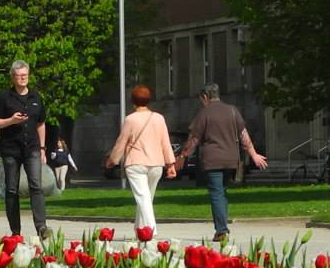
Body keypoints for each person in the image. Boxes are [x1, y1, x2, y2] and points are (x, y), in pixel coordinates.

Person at [180, 81, 267, 241]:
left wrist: (183, 156)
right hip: (231, 159)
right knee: (222, 192)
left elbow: (194, 139)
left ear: (205, 96)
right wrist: (253, 154)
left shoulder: (204, 113)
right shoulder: (233, 111)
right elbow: (243, 134)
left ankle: (221, 230)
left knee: (216, 193)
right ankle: (222, 227)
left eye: (201, 98)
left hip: (212, 159)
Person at [103, 84, 177, 236]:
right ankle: (139, 231)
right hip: (156, 163)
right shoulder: (159, 118)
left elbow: (121, 142)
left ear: (133, 101)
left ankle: (150, 230)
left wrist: (113, 159)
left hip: (136, 163)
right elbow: (165, 142)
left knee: (143, 198)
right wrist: (170, 163)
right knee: (145, 198)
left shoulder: (130, 119)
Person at [0, 59, 49, 239]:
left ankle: (41, 226)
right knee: (12, 189)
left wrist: (43, 147)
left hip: (32, 148)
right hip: (11, 149)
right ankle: (16, 232)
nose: (22, 79)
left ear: (28, 76)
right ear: (12, 78)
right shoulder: (4, 97)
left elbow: (41, 123)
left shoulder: (36, 97)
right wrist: (11, 121)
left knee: (36, 185)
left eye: (25, 75)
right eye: (18, 76)